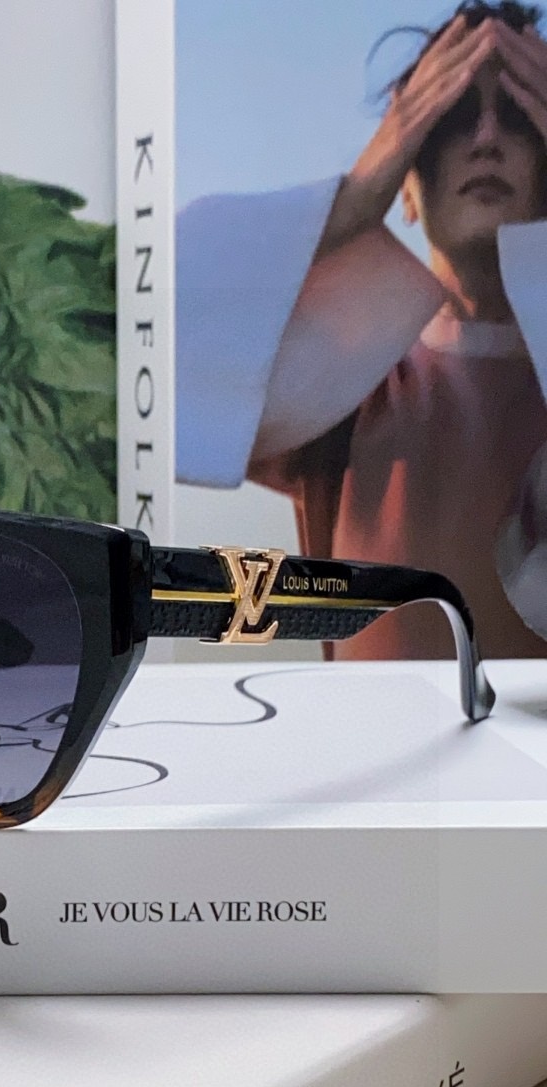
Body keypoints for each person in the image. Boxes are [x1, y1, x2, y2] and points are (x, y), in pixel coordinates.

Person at [177, 2, 547, 660]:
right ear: (407, 185)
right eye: (451, 116)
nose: (487, 137)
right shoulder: (349, 380)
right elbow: (148, 345)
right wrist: (352, 199)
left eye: (519, 115)